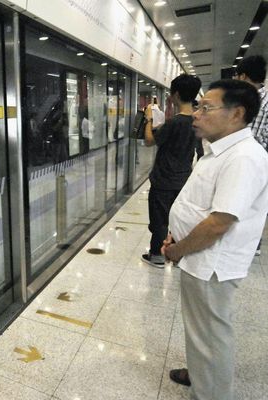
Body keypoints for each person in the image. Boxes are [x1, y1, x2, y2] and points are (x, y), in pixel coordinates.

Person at [163, 79, 268, 400]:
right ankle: (199, 373)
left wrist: (178, 249)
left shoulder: (244, 157)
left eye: (206, 108)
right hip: (199, 257)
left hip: (211, 264)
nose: (196, 114)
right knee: (201, 331)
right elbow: (199, 204)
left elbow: (218, 223)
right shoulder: (220, 150)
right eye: (198, 106)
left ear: (236, 114)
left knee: (211, 335)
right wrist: (174, 232)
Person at [141, 74, 201, 267]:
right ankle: (175, 254)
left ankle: (157, 255)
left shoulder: (174, 122)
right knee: (176, 219)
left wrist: (149, 120)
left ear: (175, 94)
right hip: (183, 179)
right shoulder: (196, 121)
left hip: (164, 179)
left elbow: (149, 141)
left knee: (159, 219)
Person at [234, 55, 267, 256]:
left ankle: (249, 243)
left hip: (254, 164)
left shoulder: (258, 101)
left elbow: (250, 138)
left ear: (244, 77)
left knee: (246, 202)